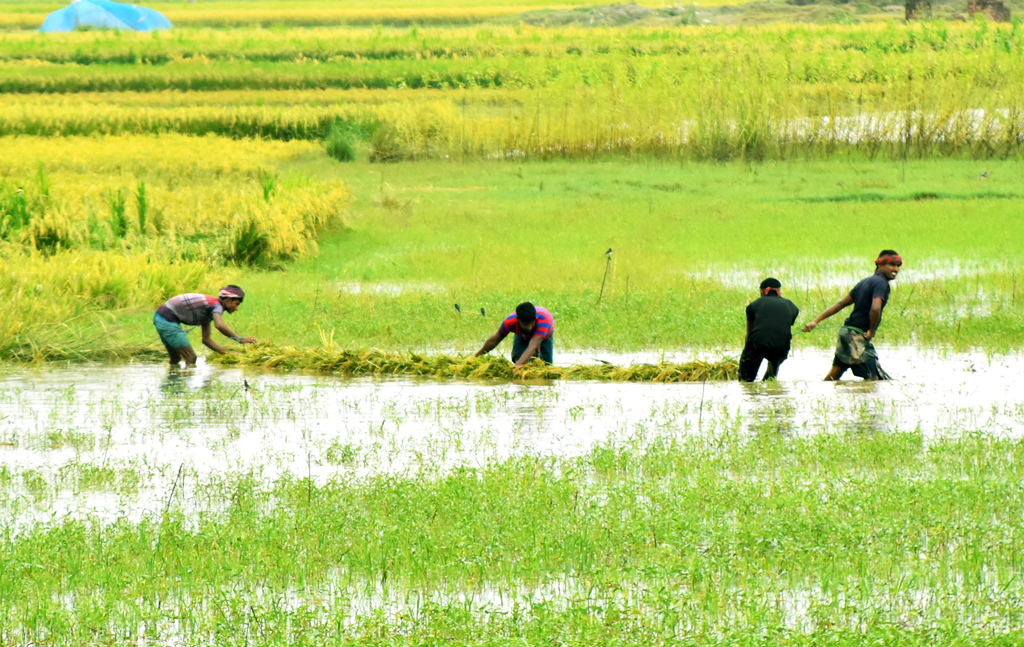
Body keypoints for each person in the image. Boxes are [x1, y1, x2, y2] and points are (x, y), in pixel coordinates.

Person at [802, 250, 902, 381]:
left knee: (833, 376)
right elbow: (876, 308)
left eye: (898, 265)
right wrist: (871, 331)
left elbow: (841, 303)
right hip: (855, 337)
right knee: (875, 379)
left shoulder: (865, 282)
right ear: (880, 265)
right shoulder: (880, 283)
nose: (896, 269)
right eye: (892, 265)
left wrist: (816, 321)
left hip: (846, 333)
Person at [153, 285, 257, 367]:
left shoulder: (208, 307)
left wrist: (229, 354)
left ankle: (171, 385)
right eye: (237, 304)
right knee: (191, 358)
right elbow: (219, 325)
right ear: (229, 300)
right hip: (167, 320)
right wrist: (240, 339)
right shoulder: (216, 306)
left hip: (160, 317)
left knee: (175, 359)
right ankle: (182, 390)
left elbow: (206, 340)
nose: (237, 308)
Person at [739, 277, 800, 382]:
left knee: (746, 380)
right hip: (782, 346)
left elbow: (750, 333)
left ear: (763, 291)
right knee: (771, 378)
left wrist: (746, 353)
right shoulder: (791, 306)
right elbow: (784, 325)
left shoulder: (754, 305)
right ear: (778, 291)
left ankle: (749, 392)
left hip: (758, 344)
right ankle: (770, 386)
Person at [475, 302, 554, 367]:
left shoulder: (543, 321)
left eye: (532, 324)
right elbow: (494, 341)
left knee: (546, 364)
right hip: (522, 335)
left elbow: (533, 346)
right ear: (518, 320)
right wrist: (475, 357)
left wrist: (515, 368)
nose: (529, 328)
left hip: (544, 336)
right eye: (526, 324)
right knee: (518, 357)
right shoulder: (509, 322)